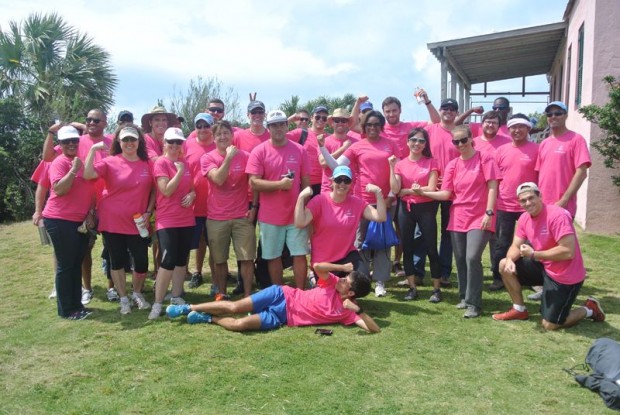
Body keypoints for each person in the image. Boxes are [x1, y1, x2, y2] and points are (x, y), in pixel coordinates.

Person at [492, 182, 605, 329]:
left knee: (550, 324)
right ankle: (519, 309)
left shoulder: (557, 216)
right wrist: (509, 260)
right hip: (544, 266)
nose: (528, 203)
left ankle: (589, 309)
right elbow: (515, 245)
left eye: (531, 198)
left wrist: (534, 254)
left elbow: (568, 251)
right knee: (503, 264)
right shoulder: (525, 218)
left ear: (540, 196)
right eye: (523, 200)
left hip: (565, 275)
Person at [413, 125, 499, 318]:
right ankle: (464, 297)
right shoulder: (453, 165)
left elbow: (493, 187)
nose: (460, 144)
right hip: (458, 216)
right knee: (460, 259)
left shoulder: (485, 159)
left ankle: (474, 304)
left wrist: (489, 212)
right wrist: (423, 192)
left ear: (471, 139)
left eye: (463, 140)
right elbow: (446, 194)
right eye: (456, 141)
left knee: (472, 257)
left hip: (480, 215)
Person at [165, 262, 380, 334]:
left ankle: (208, 318)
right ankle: (188, 308)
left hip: (282, 317)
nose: (341, 279)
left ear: (351, 293)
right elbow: (318, 266)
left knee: (240, 325)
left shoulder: (347, 312)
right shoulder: (331, 281)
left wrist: (358, 310)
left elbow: (374, 329)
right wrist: (342, 267)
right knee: (234, 307)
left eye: (346, 281)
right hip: (281, 294)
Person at [319, 110, 398, 297]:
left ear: (381, 126)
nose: (372, 128)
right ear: (364, 127)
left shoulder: (391, 145)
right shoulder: (357, 146)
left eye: (376, 124)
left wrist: (390, 196)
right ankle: (361, 279)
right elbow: (336, 166)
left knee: (383, 242)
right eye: (369, 125)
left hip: (385, 201)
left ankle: (380, 282)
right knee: (360, 242)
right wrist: (322, 148)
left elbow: (397, 172)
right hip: (362, 201)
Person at [84, 124, 155, 315]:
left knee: (141, 261)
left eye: (133, 139)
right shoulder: (110, 162)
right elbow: (88, 174)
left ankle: (137, 293)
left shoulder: (147, 164)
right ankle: (123, 298)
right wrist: (92, 150)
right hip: (112, 221)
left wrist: (149, 211)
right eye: (125, 139)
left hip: (138, 222)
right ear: (119, 142)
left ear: (139, 141)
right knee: (117, 261)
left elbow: (154, 190)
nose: (129, 143)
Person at [531, 101, 591, 301]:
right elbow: (540, 175)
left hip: (562, 206)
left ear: (565, 115)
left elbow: (582, 172)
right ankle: (545, 287)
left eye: (558, 113)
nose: (553, 117)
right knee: (543, 246)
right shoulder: (545, 143)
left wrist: (564, 200)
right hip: (543, 206)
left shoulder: (576, 140)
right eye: (550, 114)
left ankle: (561, 288)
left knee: (561, 248)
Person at [246, 109, 311, 288]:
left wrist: (303, 207)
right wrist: (279, 185)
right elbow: (253, 183)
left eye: (281, 124)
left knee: (299, 254)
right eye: (274, 125)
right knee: (272, 256)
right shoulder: (259, 151)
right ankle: (280, 293)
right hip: (270, 215)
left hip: (295, 215)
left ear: (287, 125)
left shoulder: (299, 150)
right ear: (268, 128)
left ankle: (300, 293)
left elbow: (306, 184)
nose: (278, 128)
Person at [42, 126, 96, 320]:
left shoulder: (81, 161)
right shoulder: (60, 162)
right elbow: (59, 189)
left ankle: (76, 305)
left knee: (75, 263)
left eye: (74, 140)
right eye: (66, 141)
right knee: (66, 266)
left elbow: (90, 190)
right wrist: (73, 170)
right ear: (60, 144)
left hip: (78, 221)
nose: (71, 144)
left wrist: (90, 212)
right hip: (59, 220)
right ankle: (67, 310)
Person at [295, 165, 386, 273]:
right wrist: (301, 197)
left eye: (346, 180)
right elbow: (300, 223)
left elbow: (380, 217)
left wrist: (378, 193)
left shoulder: (357, 203)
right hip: (323, 261)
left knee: (360, 280)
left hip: (347, 256)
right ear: (332, 181)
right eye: (338, 180)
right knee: (333, 284)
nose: (342, 184)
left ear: (351, 184)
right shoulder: (319, 201)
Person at [202, 120, 257, 298]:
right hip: (217, 217)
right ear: (213, 137)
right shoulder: (208, 158)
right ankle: (222, 294)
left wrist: (254, 206)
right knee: (219, 259)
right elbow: (218, 179)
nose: (223, 137)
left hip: (242, 215)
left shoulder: (246, 156)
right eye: (219, 134)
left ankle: (248, 295)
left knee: (247, 257)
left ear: (232, 135)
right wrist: (228, 158)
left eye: (226, 133)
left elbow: (254, 183)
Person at [389, 128, 442, 302]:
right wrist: (391, 167)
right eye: (413, 140)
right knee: (408, 248)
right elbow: (396, 189)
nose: (417, 143)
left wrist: (408, 191)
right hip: (406, 209)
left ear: (425, 144)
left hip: (426, 208)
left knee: (431, 248)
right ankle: (412, 288)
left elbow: (431, 188)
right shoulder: (400, 164)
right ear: (407, 142)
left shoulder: (431, 162)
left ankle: (436, 289)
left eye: (421, 141)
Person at [148, 128, 196, 319]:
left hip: (186, 219)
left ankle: (176, 296)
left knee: (181, 259)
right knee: (168, 260)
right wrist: (179, 172)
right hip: (167, 219)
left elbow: (192, 188)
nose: (175, 145)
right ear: (164, 143)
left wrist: (192, 195)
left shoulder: (185, 163)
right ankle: (158, 303)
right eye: (171, 142)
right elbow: (166, 190)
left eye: (178, 142)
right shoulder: (161, 162)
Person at [491, 114, 539, 292]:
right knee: (502, 243)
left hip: (529, 206)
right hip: (505, 204)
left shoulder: (536, 149)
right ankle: (499, 277)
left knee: (532, 243)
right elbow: (494, 178)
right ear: (508, 129)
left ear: (528, 129)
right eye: (513, 127)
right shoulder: (501, 151)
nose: (517, 130)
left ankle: (533, 278)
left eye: (521, 127)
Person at [184, 113, 216, 289]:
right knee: (193, 241)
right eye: (199, 126)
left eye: (206, 126)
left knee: (213, 242)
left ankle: (216, 278)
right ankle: (193, 272)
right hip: (192, 203)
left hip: (215, 204)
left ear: (212, 127)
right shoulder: (186, 145)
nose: (203, 129)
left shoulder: (219, 145)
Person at [288, 105, 329, 196]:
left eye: (324, 118)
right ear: (311, 118)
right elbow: (277, 135)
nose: (321, 120)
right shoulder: (301, 133)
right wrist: (290, 119)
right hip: (302, 183)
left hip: (323, 185)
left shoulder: (329, 138)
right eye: (317, 117)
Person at [317, 108, 358, 194]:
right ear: (332, 123)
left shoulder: (356, 143)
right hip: (328, 189)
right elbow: (323, 163)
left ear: (347, 123)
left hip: (350, 190)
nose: (340, 123)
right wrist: (344, 148)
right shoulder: (324, 141)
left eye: (343, 120)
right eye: (337, 120)